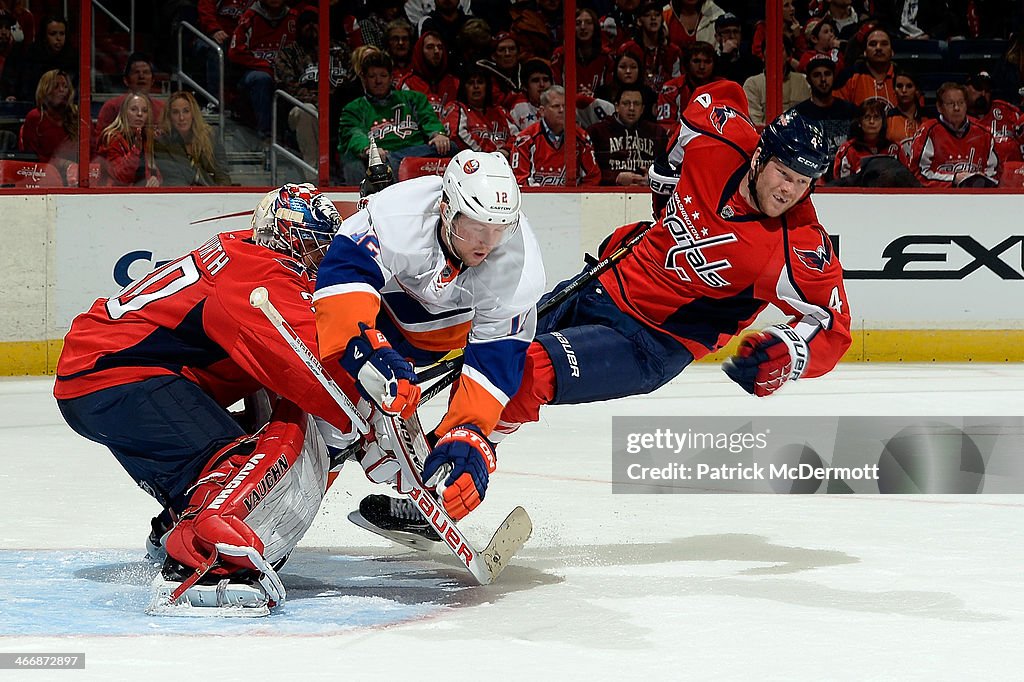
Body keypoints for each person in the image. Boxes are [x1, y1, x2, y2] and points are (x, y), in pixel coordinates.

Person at [360, 81, 853, 539]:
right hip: (602, 281)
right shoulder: (720, 140)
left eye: (804, 181)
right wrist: (666, 174)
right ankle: (427, 461)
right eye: (784, 174)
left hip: (650, 342)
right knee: (488, 349)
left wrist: (788, 354)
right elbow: (707, 101)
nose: (790, 190)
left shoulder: (799, 245)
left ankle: (442, 491)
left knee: (528, 371)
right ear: (760, 156)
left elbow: (832, 327)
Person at [54, 184, 355, 610]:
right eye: (308, 248)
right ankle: (204, 561)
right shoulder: (260, 273)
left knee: (230, 454)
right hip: (115, 376)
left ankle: (177, 524)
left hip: (100, 374)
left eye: (322, 249)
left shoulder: (244, 255)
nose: (316, 262)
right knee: (236, 462)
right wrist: (375, 409)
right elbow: (316, 369)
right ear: (283, 238)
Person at [313, 150, 545, 522]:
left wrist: (468, 432)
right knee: (332, 425)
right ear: (445, 208)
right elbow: (342, 277)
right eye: (475, 226)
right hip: (382, 325)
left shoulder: (518, 267)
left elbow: (495, 363)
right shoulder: (397, 215)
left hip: (446, 345)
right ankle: (285, 508)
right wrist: (363, 349)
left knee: (519, 383)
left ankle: (439, 469)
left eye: (499, 230)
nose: (487, 243)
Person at [337, 49, 451, 185]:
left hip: (416, 156)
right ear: (363, 79)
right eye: (372, 76)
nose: (378, 81)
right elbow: (353, 133)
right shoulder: (354, 108)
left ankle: (394, 160)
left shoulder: (414, 98)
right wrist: (369, 149)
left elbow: (429, 120)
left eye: (383, 75)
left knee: (452, 147)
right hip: (381, 161)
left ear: (391, 77)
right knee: (357, 165)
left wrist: (437, 134)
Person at [273, 7, 350, 179]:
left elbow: (352, 78)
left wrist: (334, 100)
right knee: (306, 111)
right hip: (302, 108)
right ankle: (314, 176)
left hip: (338, 105)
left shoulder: (341, 50)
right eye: (305, 24)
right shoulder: (289, 53)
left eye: (315, 23)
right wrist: (319, 101)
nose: (311, 27)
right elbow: (287, 86)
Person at [906, 81, 999, 187]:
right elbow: (917, 174)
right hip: (938, 197)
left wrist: (981, 179)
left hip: (976, 198)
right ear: (939, 107)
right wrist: (954, 179)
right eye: (951, 104)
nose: (956, 108)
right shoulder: (928, 131)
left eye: (961, 103)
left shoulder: (984, 133)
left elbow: (995, 174)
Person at [227, 0, 298, 139]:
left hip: (286, 72)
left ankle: (291, 138)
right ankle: (266, 135)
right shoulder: (250, 16)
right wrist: (265, 66)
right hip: (254, 72)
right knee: (262, 79)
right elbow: (234, 52)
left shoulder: (294, 17)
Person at [511, 85, 602, 186]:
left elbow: (593, 177)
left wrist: (578, 199)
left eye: (565, 106)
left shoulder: (581, 137)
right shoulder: (525, 140)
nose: (562, 110)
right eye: (556, 106)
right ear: (542, 111)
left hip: (572, 200)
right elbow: (519, 180)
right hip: (535, 201)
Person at [587, 86, 667, 185]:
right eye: (626, 103)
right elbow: (589, 172)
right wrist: (615, 178)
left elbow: (666, 168)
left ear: (642, 109)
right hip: (608, 193)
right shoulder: (597, 132)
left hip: (647, 193)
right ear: (616, 106)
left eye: (636, 104)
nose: (631, 108)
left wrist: (652, 179)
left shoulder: (657, 132)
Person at [154, 90, 231, 186]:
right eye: (175, 112)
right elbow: (172, 178)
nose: (181, 118)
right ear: (169, 116)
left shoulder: (211, 136)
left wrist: (220, 198)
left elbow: (222, 176)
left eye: (186, 111)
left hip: (211, 195)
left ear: (193, 114)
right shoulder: (162, 143)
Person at [17, 68, 78, 181]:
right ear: (45, 90)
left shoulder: (77, 116)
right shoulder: (35, 117)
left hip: (77, 176)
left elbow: (91, 151)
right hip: (44, 177)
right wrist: (60, 164)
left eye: (65, 87)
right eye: (56, 86)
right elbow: (31, 158)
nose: (62, 90)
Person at [443, 65, 516, 157]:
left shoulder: (500, 111)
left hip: (504, 162)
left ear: (487, 86)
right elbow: (457, 135)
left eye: (480, 82)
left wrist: (506, 150)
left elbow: (517, 136)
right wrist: (488, 156)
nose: (476, 86)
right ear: (464, 88)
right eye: (470, 83)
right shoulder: (456, 108)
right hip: (472, 163)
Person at [0, 14, 76, 102]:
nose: (58, 38)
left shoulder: (72, 59)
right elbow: (12, 85)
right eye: (53, 34)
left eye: (62, 33)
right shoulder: (28, 56)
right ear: (44, 36)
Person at [793, 56, 857, 160]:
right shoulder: (799, 114)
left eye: (827, 74)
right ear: (808, 80)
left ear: (834, 77)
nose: (823, 79)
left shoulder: (850, 111)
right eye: (817, 75)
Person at [94, 53, 166, 141]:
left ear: (153, 80)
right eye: (136, 72)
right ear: (126, 80)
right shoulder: (112, 106)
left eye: (146, 72)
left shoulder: (162, 108)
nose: (141, 76)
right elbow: (99, 142)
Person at [97, 93, 161, 187]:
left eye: (144, 111)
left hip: (141, 195)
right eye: (134, 109)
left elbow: (155, 170)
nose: (139, 114)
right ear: (124, 112)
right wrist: (135, 150)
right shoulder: (111, 138)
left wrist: (155, 179)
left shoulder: (146, 137)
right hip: (115, 195)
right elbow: (120, 176)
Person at [833, 27, 896, 108]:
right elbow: (836, 111)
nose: (878, 48)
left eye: (884, 44)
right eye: (873, 44)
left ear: (892, 51)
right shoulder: (848, 76)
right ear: (865, 52)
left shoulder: (902, 76)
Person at [832, 99, 895, 180]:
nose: (872, 121)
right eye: (867, 117)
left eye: (876, 117)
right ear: (859, 122)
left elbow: (906, 181)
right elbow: (841, 185)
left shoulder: (895, 149)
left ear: (883, 122)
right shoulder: (847, 150)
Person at [885, 69, 927, 157]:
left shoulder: (928, 118)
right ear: (894, 90)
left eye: (909, 86)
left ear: (917, 91)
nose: (904, 90)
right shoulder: (886, 118)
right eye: (899, 86)